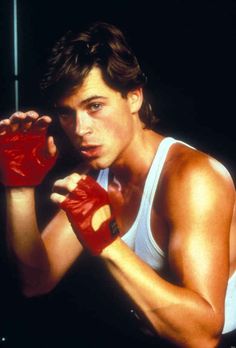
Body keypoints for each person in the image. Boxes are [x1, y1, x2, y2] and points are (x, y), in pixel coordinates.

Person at [0, 21, 235, 347]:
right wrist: (19, 187)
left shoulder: (193, 179)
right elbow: (36, 280)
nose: (80, 129)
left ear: (134, 98)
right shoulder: (92, 174)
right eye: (67, 113)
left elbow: (203, 335)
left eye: (94, 106)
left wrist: (107, 242)